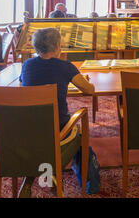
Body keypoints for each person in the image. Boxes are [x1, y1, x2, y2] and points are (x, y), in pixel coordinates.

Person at [18, 28, 95, 197]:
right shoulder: (65, 66)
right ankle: (90, 181)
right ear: (58, 46)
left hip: (28, 131)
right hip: (59, 132)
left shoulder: (27, 65)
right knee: (80, 132)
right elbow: (89, 90)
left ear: (36, 46)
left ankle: (34, 173)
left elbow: (23, 85)